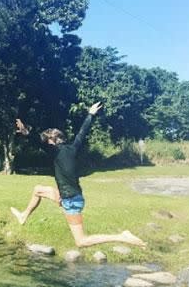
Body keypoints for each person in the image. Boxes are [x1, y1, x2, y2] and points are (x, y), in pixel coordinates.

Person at [10, 101, 145, 247]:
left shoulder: (54, 151)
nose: (45, 144)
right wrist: (90, 115)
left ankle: (122, 237)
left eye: (47, 140)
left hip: (71, 201)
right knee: (38, 190)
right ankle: (23, 216)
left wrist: (26, 133)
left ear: (52, 141)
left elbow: (38, 142)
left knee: (81, 241)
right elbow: (82, 132)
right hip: (68, 196)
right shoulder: (73, 148)